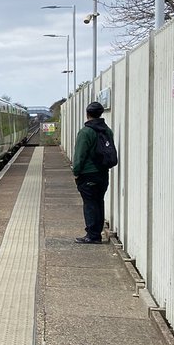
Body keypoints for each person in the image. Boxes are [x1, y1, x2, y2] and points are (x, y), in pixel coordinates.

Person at [71, 101, 114, 244]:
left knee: (90, 204)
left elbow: (79, 156)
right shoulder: (107, 130)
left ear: (87, 114)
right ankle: (96, 232)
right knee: (99, 202)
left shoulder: (85, 132)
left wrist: (76, 172)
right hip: (103, 173)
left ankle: (92, 235)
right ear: (100, 114)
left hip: (88, 174)